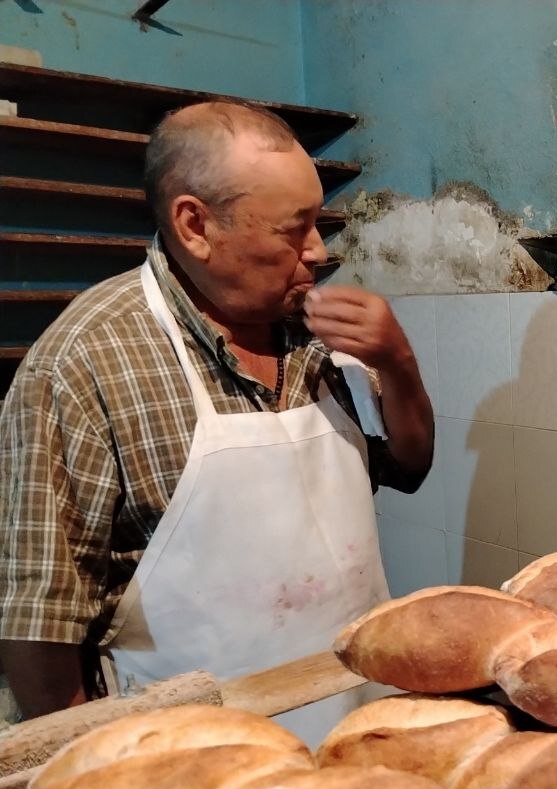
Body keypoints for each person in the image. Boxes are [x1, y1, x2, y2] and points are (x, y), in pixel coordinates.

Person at [0, 102, 433, 743]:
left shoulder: (316, 334)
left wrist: (397, 363)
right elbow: (40, 626)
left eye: (318, 222)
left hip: (356, 719)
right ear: (195, 225)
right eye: (295, 229)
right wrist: (94, 771)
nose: (318, 251)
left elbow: (409, 466)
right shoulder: (84, 362)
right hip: (191, 757)